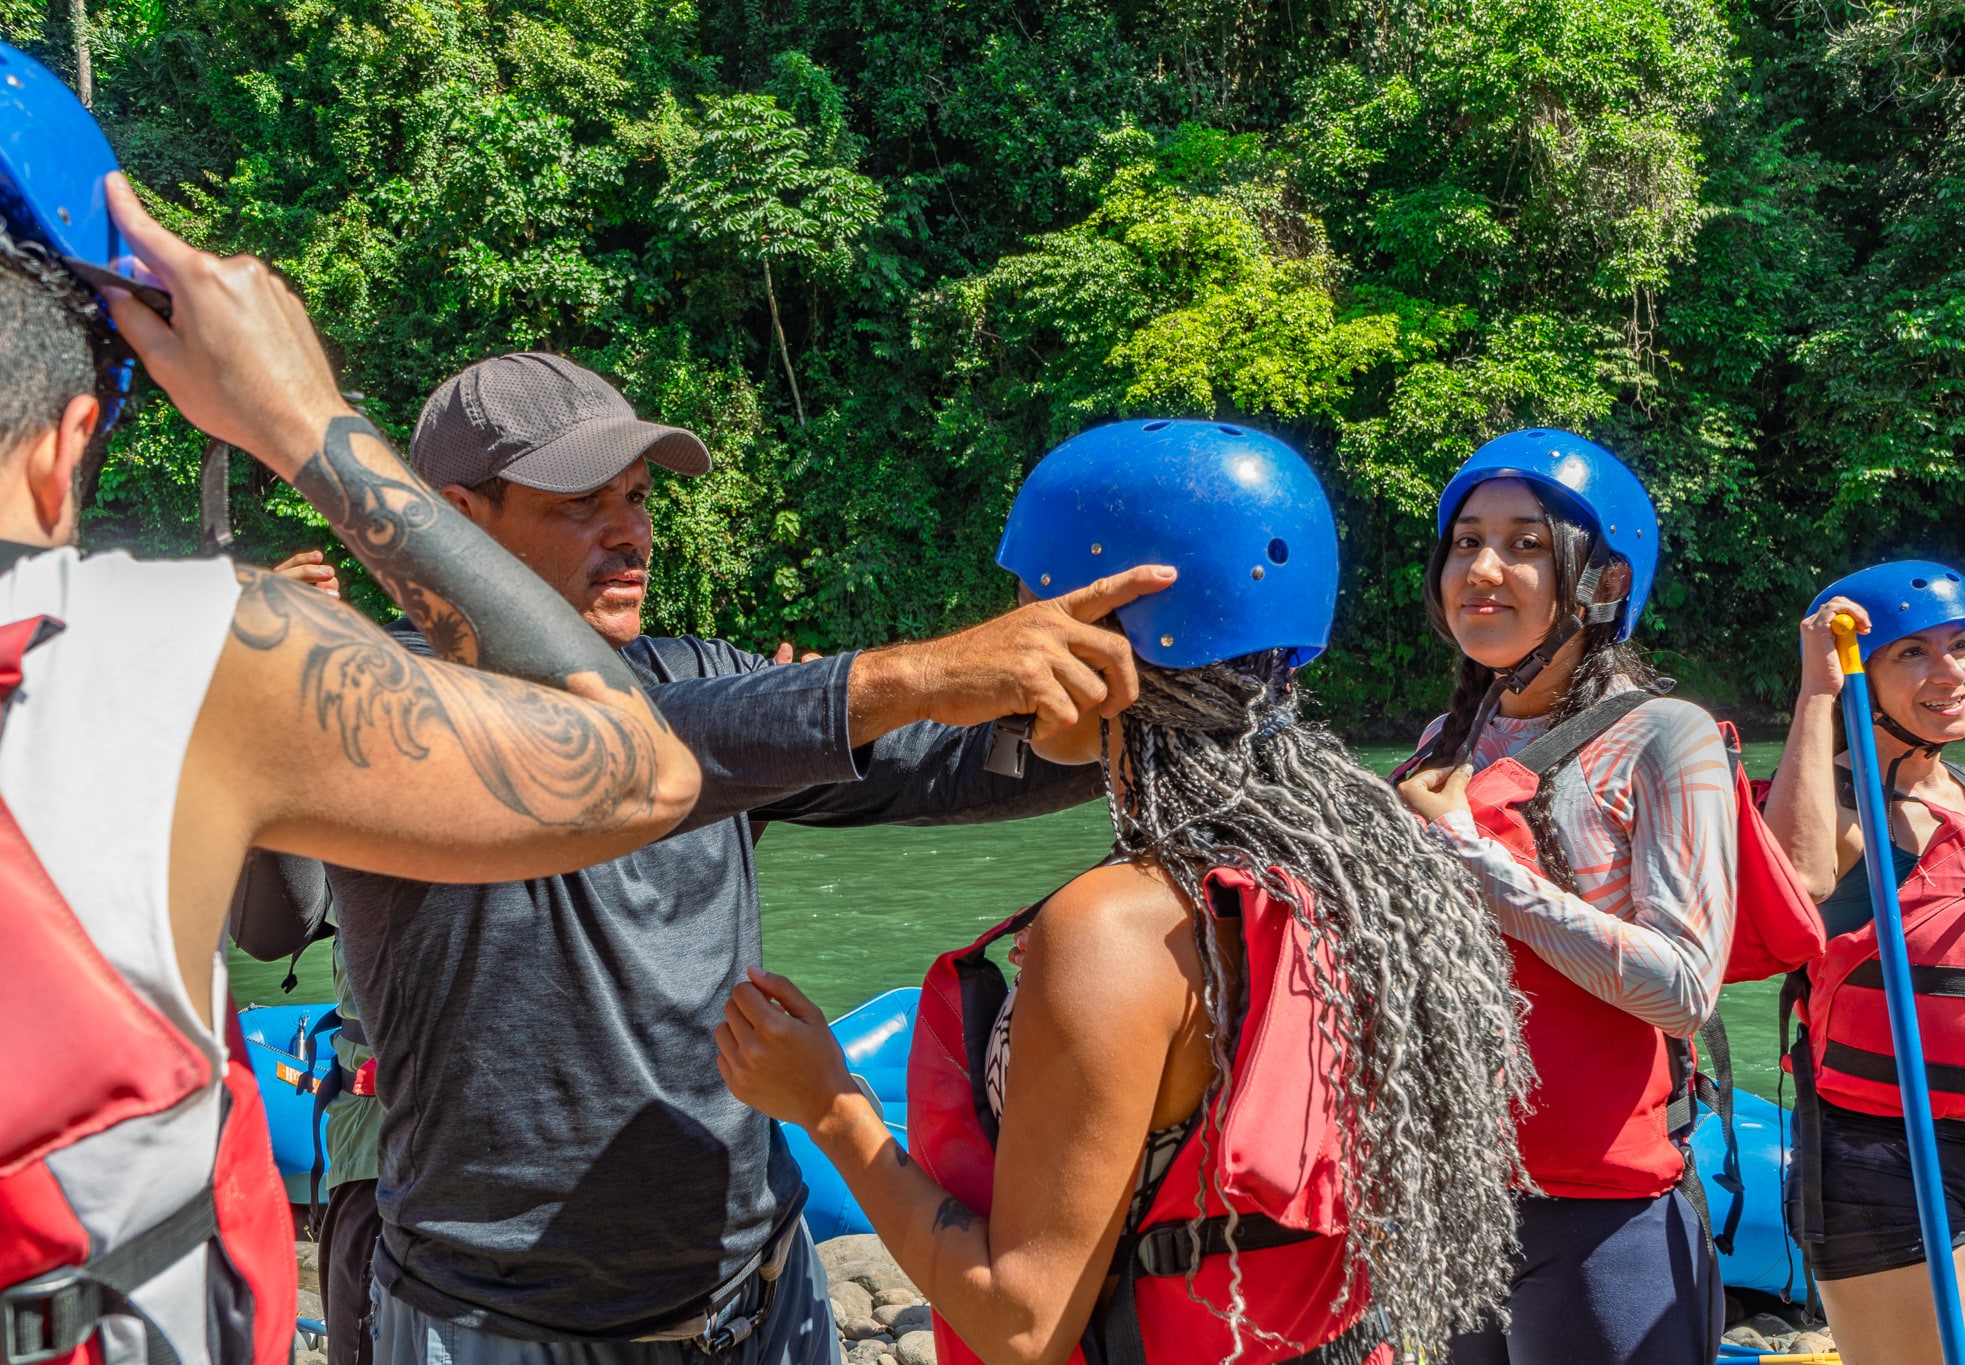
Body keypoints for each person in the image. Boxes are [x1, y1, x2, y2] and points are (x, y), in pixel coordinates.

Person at [0, 50, 702, 1365]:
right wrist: (305, 422)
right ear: (63, 451)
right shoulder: (191, 648)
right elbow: (634, 764)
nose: (627, 531)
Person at [292, 352, 1174, 1365]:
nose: (629, 532)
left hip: (757, 1297)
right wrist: (922, 671)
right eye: (581, 504)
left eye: (635, 497)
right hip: (500, 1323)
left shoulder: (700, 678)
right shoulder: (374, 709)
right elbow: (613, 746)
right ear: (456, 525)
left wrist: (1154, 692)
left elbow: (948, 767)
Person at [718, 419, 1532, 1364]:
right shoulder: (1366, 863)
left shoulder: (1113, 930)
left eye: (1023, 608)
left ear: (1106, 628)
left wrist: (830, 1105)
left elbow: (1023, 1323)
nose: (1004, 643)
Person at [1394, 428, 1738, 1364]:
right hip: (1461, 1193)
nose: (1483, 567)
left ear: (1606, 582)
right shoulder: (1445, 737)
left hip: (1605, 1214)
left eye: (1526, 543)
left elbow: (1684, 987)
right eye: (1465, 540)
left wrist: (1475, 864)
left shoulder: (1669, 735)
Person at [1765, 563, 1965, 1365]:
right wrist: (1819, 691)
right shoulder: (1843, 810)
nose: (1951, 671)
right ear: (1865, 672)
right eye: (1912, 654)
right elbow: (1794, 883)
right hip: (1881, 1160)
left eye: (1961, 645)